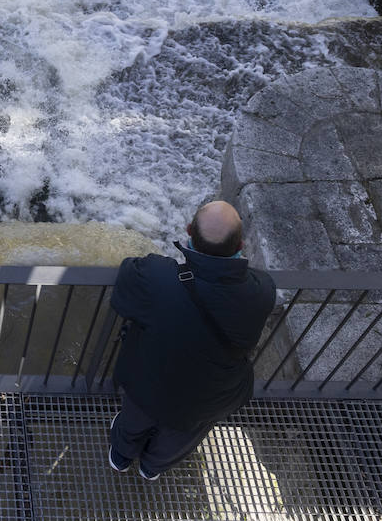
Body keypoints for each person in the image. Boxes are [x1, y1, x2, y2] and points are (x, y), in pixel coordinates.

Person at [107, 200, 276, 481]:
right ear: (241, 245)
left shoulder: (158, 278)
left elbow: (127, 276)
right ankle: (152, 468)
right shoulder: (262, 292)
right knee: (180, 437)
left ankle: (121, 455)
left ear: (188, 231)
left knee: (133, 421)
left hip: (150, 383)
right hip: (210, 397)